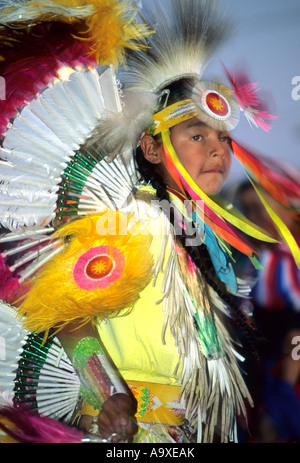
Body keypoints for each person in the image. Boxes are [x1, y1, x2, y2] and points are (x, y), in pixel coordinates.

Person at [0, 0, 299, 444]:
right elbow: (69, 318)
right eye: (196, 135)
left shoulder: (207, 239)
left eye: (222, 138)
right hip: (128, 433)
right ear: (153, 148)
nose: (218, 150)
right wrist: (110, 395)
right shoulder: (129, 219)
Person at [235, 180, 300, 442]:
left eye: (261, 208)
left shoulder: (287, 258)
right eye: (247, 209)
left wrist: (282, 390)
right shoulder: (256, 259)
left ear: (287, 207)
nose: (254, 217)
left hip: (286, 379)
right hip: (263, 375)